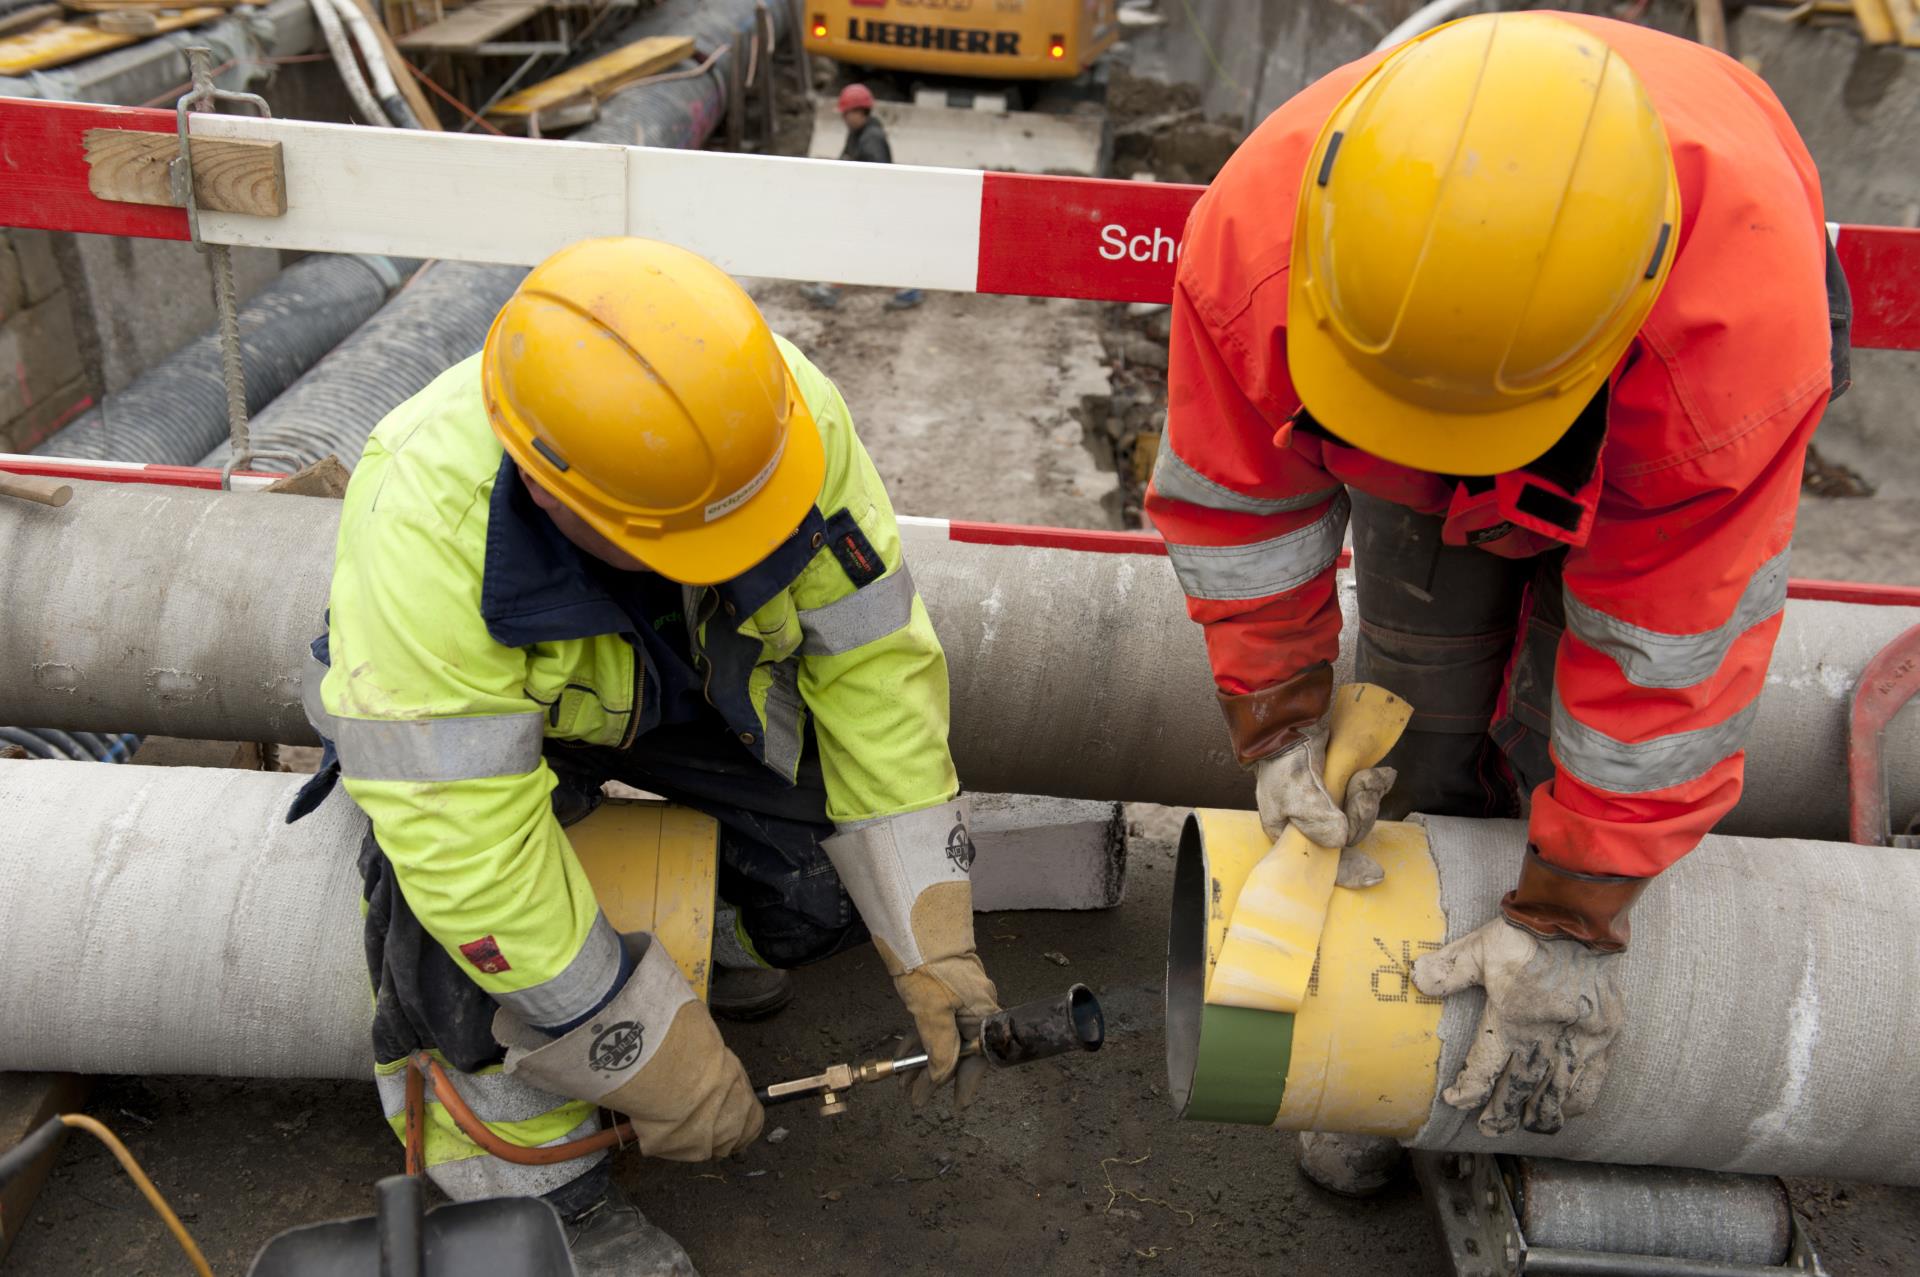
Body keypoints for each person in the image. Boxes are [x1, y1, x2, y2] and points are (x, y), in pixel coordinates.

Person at [1146, 12, 1848, 1196]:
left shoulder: (1730, 360)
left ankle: (1529, 951)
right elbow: (1241, 516)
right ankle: (1381, 1036)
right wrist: (1280, 721)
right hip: (1468, 334)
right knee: (1420, 678)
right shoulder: (1259, 240)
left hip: (1667, 344)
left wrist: (1575, 914)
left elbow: (1664, 670)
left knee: (1563, 707)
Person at [289, 237, 999, 1274]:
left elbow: (873, 668)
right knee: (445, 937)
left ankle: (698, 942)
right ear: (552, 491)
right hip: (481, 733)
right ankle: (539, 1182)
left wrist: (931, 929)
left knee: (823, 883)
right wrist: (633, 1042)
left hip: (679, 679)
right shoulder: (425, 520)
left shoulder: (771, 419)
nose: (747, 539)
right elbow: (468, 847)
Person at [802, 83, 926, 312]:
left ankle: (907, 290)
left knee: (872, 247)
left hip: (873, 205)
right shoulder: (859, 133)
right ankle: (831, 288)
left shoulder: (871, 139)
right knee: (854, 245)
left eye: (847, 114)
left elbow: (877, 177)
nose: (844, 119)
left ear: (859, 112)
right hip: (865, 204)